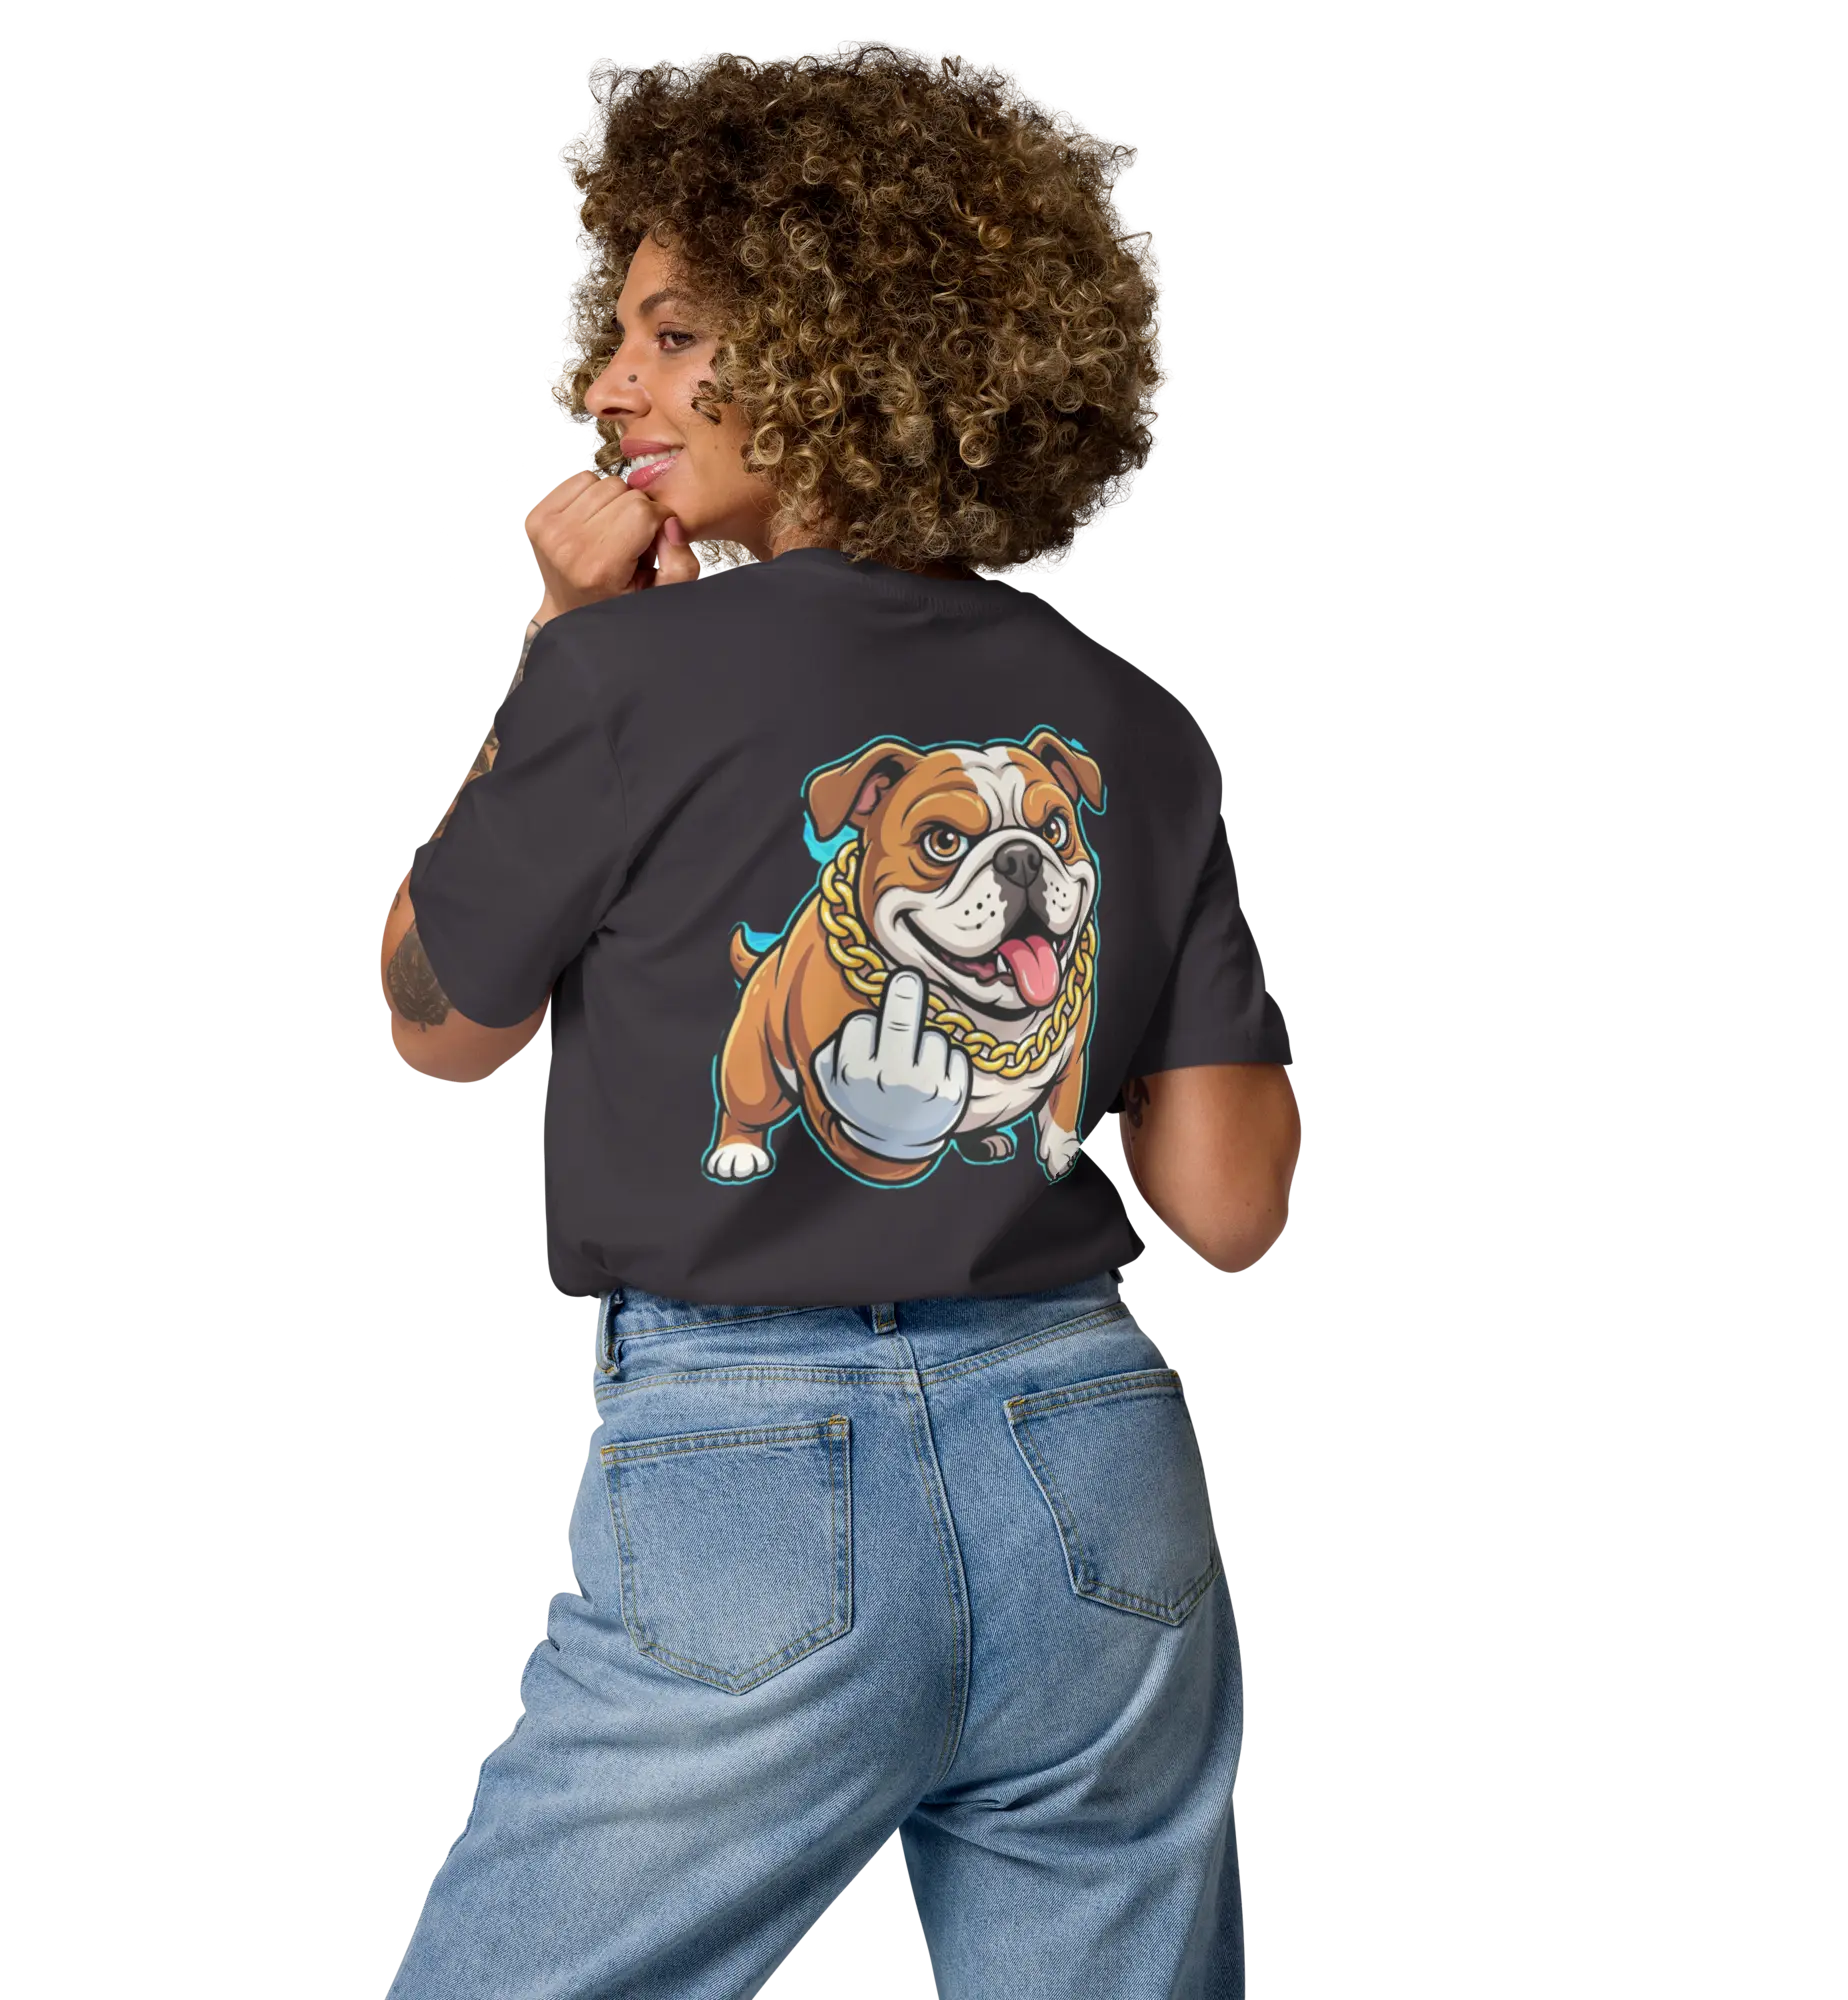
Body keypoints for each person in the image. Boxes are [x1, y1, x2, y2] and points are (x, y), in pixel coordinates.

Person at [382, 36, 1295, 1999]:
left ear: (841, 349)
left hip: (755, 1469)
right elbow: (1230, 1210)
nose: (605, 387)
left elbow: (440, 1022)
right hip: (1098, 1470)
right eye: (612, 338)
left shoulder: (622, 669)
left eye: (674, 337)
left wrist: (559, 642)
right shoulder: (1137, 725)